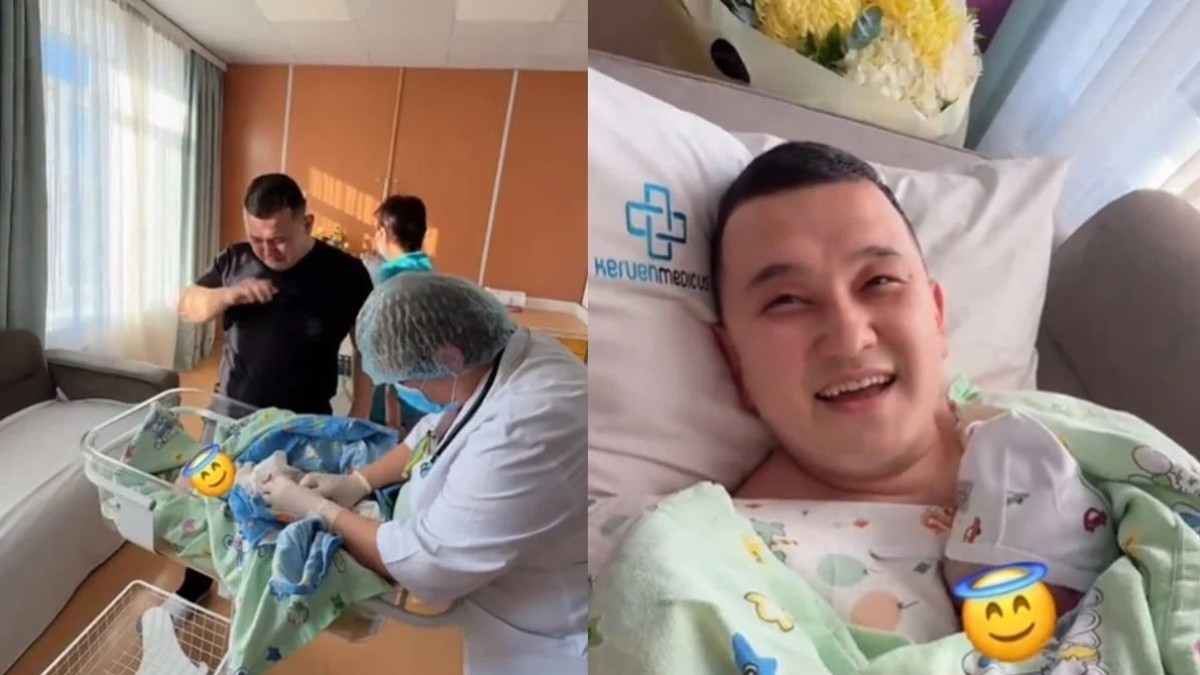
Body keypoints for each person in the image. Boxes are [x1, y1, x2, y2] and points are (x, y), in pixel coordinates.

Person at [712, 142, 1114, 640]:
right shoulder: (718, 572)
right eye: (786, 300)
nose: (849, 338)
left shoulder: (1074, 445)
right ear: (735, 361)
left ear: (937, 315)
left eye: (879, 280)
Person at [258, 272, 588, 675]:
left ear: (450, 358)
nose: (406, 390)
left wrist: (319, 510)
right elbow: (436, 430)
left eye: (407, 380)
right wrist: (359, 481)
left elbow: (427, 562)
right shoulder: (508, 354)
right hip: (517, 583)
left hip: (550, 633)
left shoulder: (522, 430)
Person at [174, 172, 376, 606]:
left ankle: (267, 598)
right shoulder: (235, 260)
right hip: (230, 413)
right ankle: (195, 587)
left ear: (308, 223)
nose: (267, 251)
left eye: (279, 240)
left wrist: (361, 409)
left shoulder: (346, 274)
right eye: (257, 239)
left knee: (281, 516)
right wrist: (229, 295)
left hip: (302, 424)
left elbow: (368, 350)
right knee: (209, 503)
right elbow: (188, 305)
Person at [366, 194, 435, 432]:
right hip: (423, 387)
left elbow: (389, 344)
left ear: (382, 233)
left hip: (394, 394)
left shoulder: (390, 277)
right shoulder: (426, 269)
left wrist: (391, 416)